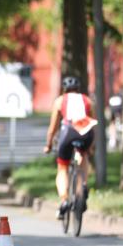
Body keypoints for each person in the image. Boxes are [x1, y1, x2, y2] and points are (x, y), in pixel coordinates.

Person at [43, 76, 98, 220]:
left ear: (64, 89)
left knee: (62, 168)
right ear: (78, 89)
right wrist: (92, 145)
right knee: (83, 156)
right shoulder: (88, 100)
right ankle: (83, 185)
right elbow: (93, 123)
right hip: (85, 133)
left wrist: (48, 145)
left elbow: (53, 127)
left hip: (68, 132)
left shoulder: (60, 101)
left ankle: (64, 200)